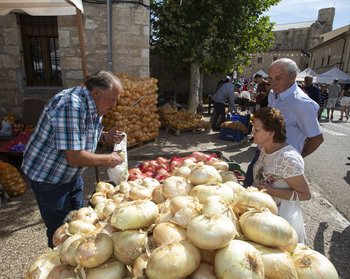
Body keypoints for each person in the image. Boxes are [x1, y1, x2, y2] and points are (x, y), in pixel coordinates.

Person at [21, 70, 125, 248]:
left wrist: (105, 136)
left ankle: (76, 256)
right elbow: (74, 156)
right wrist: (108, 159)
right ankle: (60, 267)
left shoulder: (93, 103)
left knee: (81, 223)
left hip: (71, 176)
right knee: (61, 232)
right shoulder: (71, 105)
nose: (114, 104)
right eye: (113, 98)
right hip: (48, 179)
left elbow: (83, 131)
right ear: (97, 92)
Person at [244, 58, 323, 186]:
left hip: (279, 167)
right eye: (270, 78)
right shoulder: (273, 95)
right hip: (261, 156)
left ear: (293, 77)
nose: (273, 83)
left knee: (269, 202)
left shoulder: (302, 104)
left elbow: (316, 139)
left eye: (278, 78)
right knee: (248, 192)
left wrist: (293, 160)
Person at [252, 107, 311, 241]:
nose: (252, 133)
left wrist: (272, 191)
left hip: (279, 221)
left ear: (271, 133)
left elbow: (305, 194)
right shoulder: (264, 149)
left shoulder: (287, 159)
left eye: (256, 130)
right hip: (262, 216)